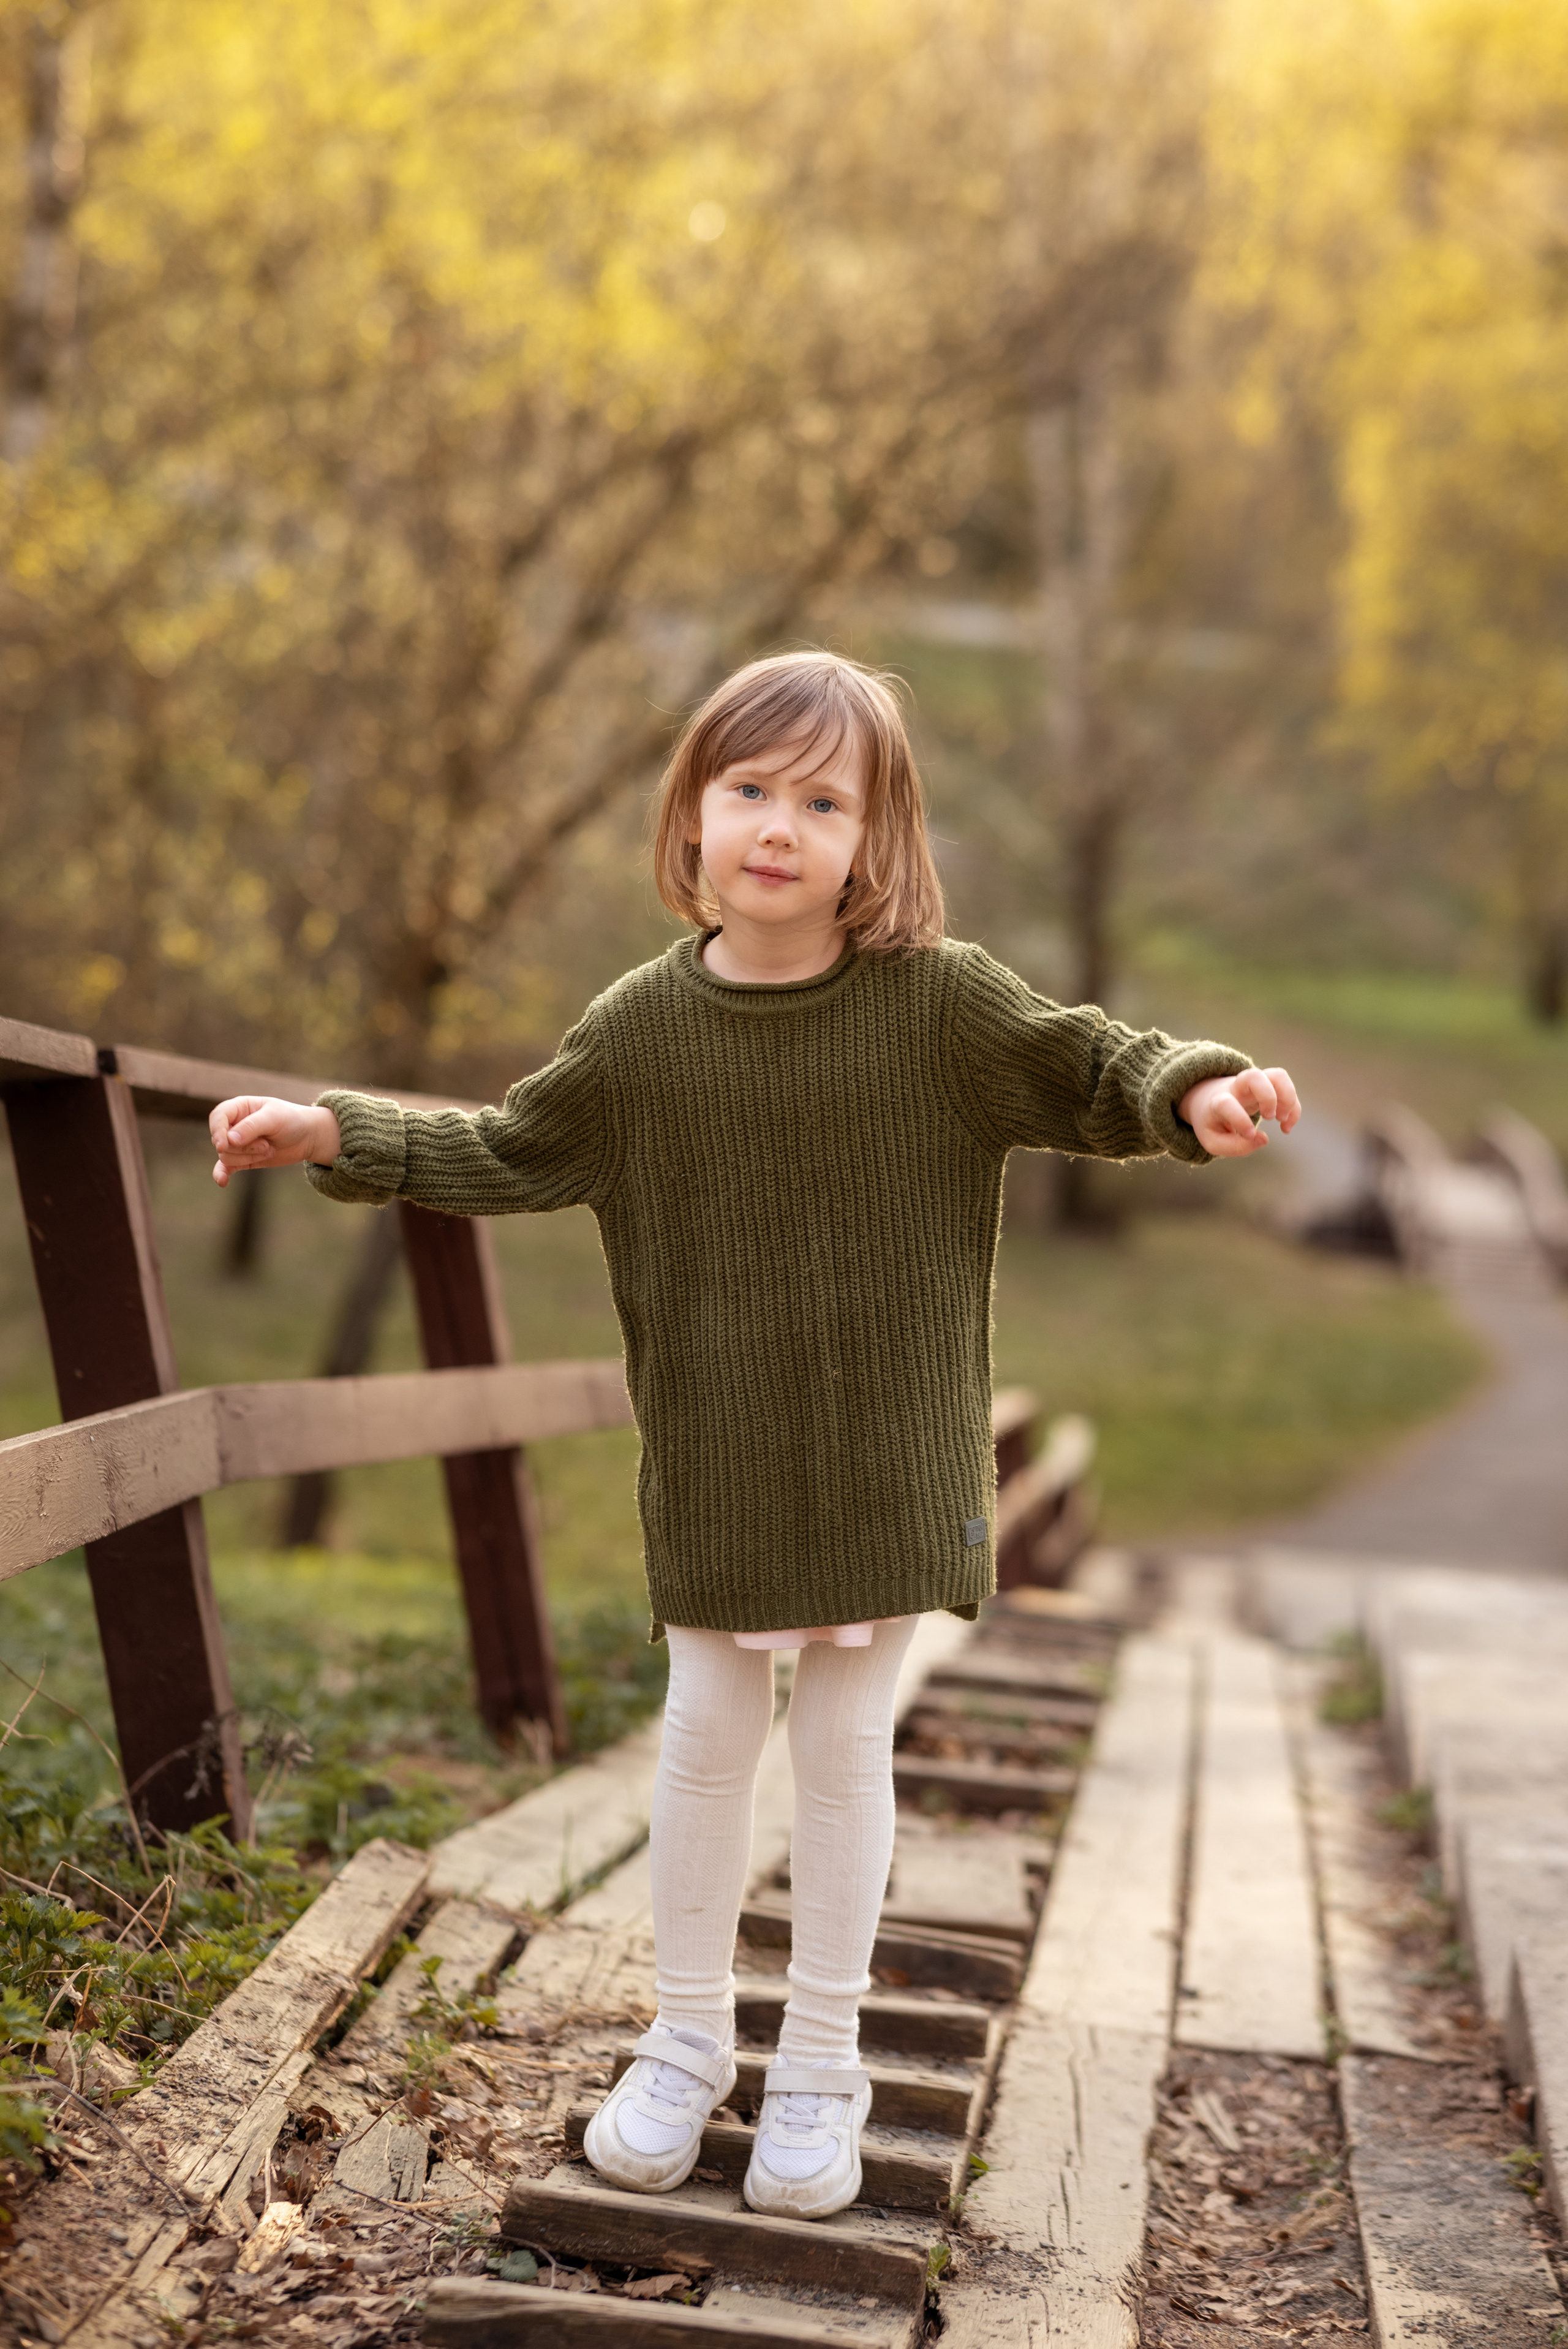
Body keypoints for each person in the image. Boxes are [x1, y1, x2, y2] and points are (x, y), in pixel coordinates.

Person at [209, 649, 1300, 2221]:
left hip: (884, 1446)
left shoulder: (938, 1006)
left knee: (845, 1751)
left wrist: (1188, 1088)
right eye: (746, 791)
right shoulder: (642, 1029)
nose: (776, 826)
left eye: (820, 800)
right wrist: (338, 1131)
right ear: (692, 815)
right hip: (720, 1453)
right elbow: (512, 1146)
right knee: (708, 1742)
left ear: (876, 839)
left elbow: (1088, 1061)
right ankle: (686, 2038)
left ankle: (823, 2060)